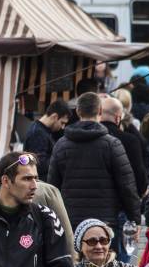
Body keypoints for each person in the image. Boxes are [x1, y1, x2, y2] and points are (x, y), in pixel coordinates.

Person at [48, 92, 141, 232]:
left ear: (78, 111)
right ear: (100, 111)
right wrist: (135, 220)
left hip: (70, 221)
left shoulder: (61, 145)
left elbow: (52, 188)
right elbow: (127, 186)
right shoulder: (112, 144)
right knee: (106, 254)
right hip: (105, 223)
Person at [100, 96, 148, 201]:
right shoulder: (130, 141)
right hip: (119, 204)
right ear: (118, 118)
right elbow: (139, 178)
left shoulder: (82, 137)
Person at [23, 100, 71, 181]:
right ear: (55, 117)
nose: (63, 127)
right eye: (62, 123)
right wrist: (62, 157)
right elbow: (39, 164)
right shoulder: (38, 133)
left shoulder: (43, 130)